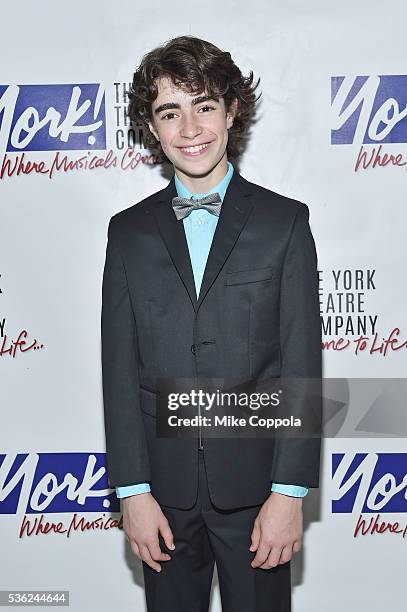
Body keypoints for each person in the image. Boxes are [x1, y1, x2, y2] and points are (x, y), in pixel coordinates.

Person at [101, 35, 322, 612]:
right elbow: (120, 373)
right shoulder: (126, 235)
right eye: (169, 112)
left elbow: (301, 364)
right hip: (161, 500)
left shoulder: (285, 224)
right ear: (152, 128)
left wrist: (288, 492)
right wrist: (132, 490)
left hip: (258, 495)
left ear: (230, 110)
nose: (190, 127)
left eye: (203, 105)